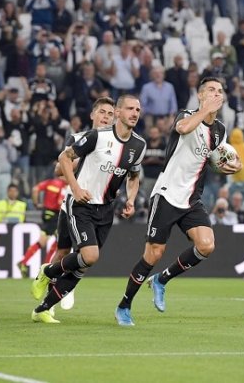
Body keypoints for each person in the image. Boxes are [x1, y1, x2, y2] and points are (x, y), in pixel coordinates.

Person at [114, 77, 242, 326]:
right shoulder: (186, 115)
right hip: (167, 194)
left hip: (192, 198)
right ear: (201, 96)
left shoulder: (220, 131)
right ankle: (124, 305)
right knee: (154, 254)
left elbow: (220, 158)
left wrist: (233, 165)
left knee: (206, 246)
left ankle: (162, 280)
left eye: (220, 91)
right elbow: (183, 129)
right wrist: (205, 109)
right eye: (211, 91)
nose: (217, 95)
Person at [30, 95, 146, 323]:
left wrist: (131, 199)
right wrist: (76, 188)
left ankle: (42, 308)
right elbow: (63, 159)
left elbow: (134, 176)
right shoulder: (95, 137)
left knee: (83, 264)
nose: (135, 113)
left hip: (106, 209)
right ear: (119, 112)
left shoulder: (139, 145)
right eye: (130, 109)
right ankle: (48, 272)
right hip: (80, 204)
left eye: (138, 110)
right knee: (88, 255)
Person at [34, 97, 116, 312]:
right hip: (72, 204)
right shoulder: (79, 138)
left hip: (99, 205)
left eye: (110, 114)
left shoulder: (117, 144)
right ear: (92, 115)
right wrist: (85, 159)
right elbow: (58, 169)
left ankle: (61, 289)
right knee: (63, 251)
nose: (106, 117)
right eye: (102, 112)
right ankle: (49, 297)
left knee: (85, 255)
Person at [16, 174, 68, 278]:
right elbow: (59, 202)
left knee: (44, 241)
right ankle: (46, 266)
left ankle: (24, 262)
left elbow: (35, 189)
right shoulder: (63, 186)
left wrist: (36, 204)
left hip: (46, 213)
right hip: (55, 215)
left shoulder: (49, 182)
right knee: (59, 242)